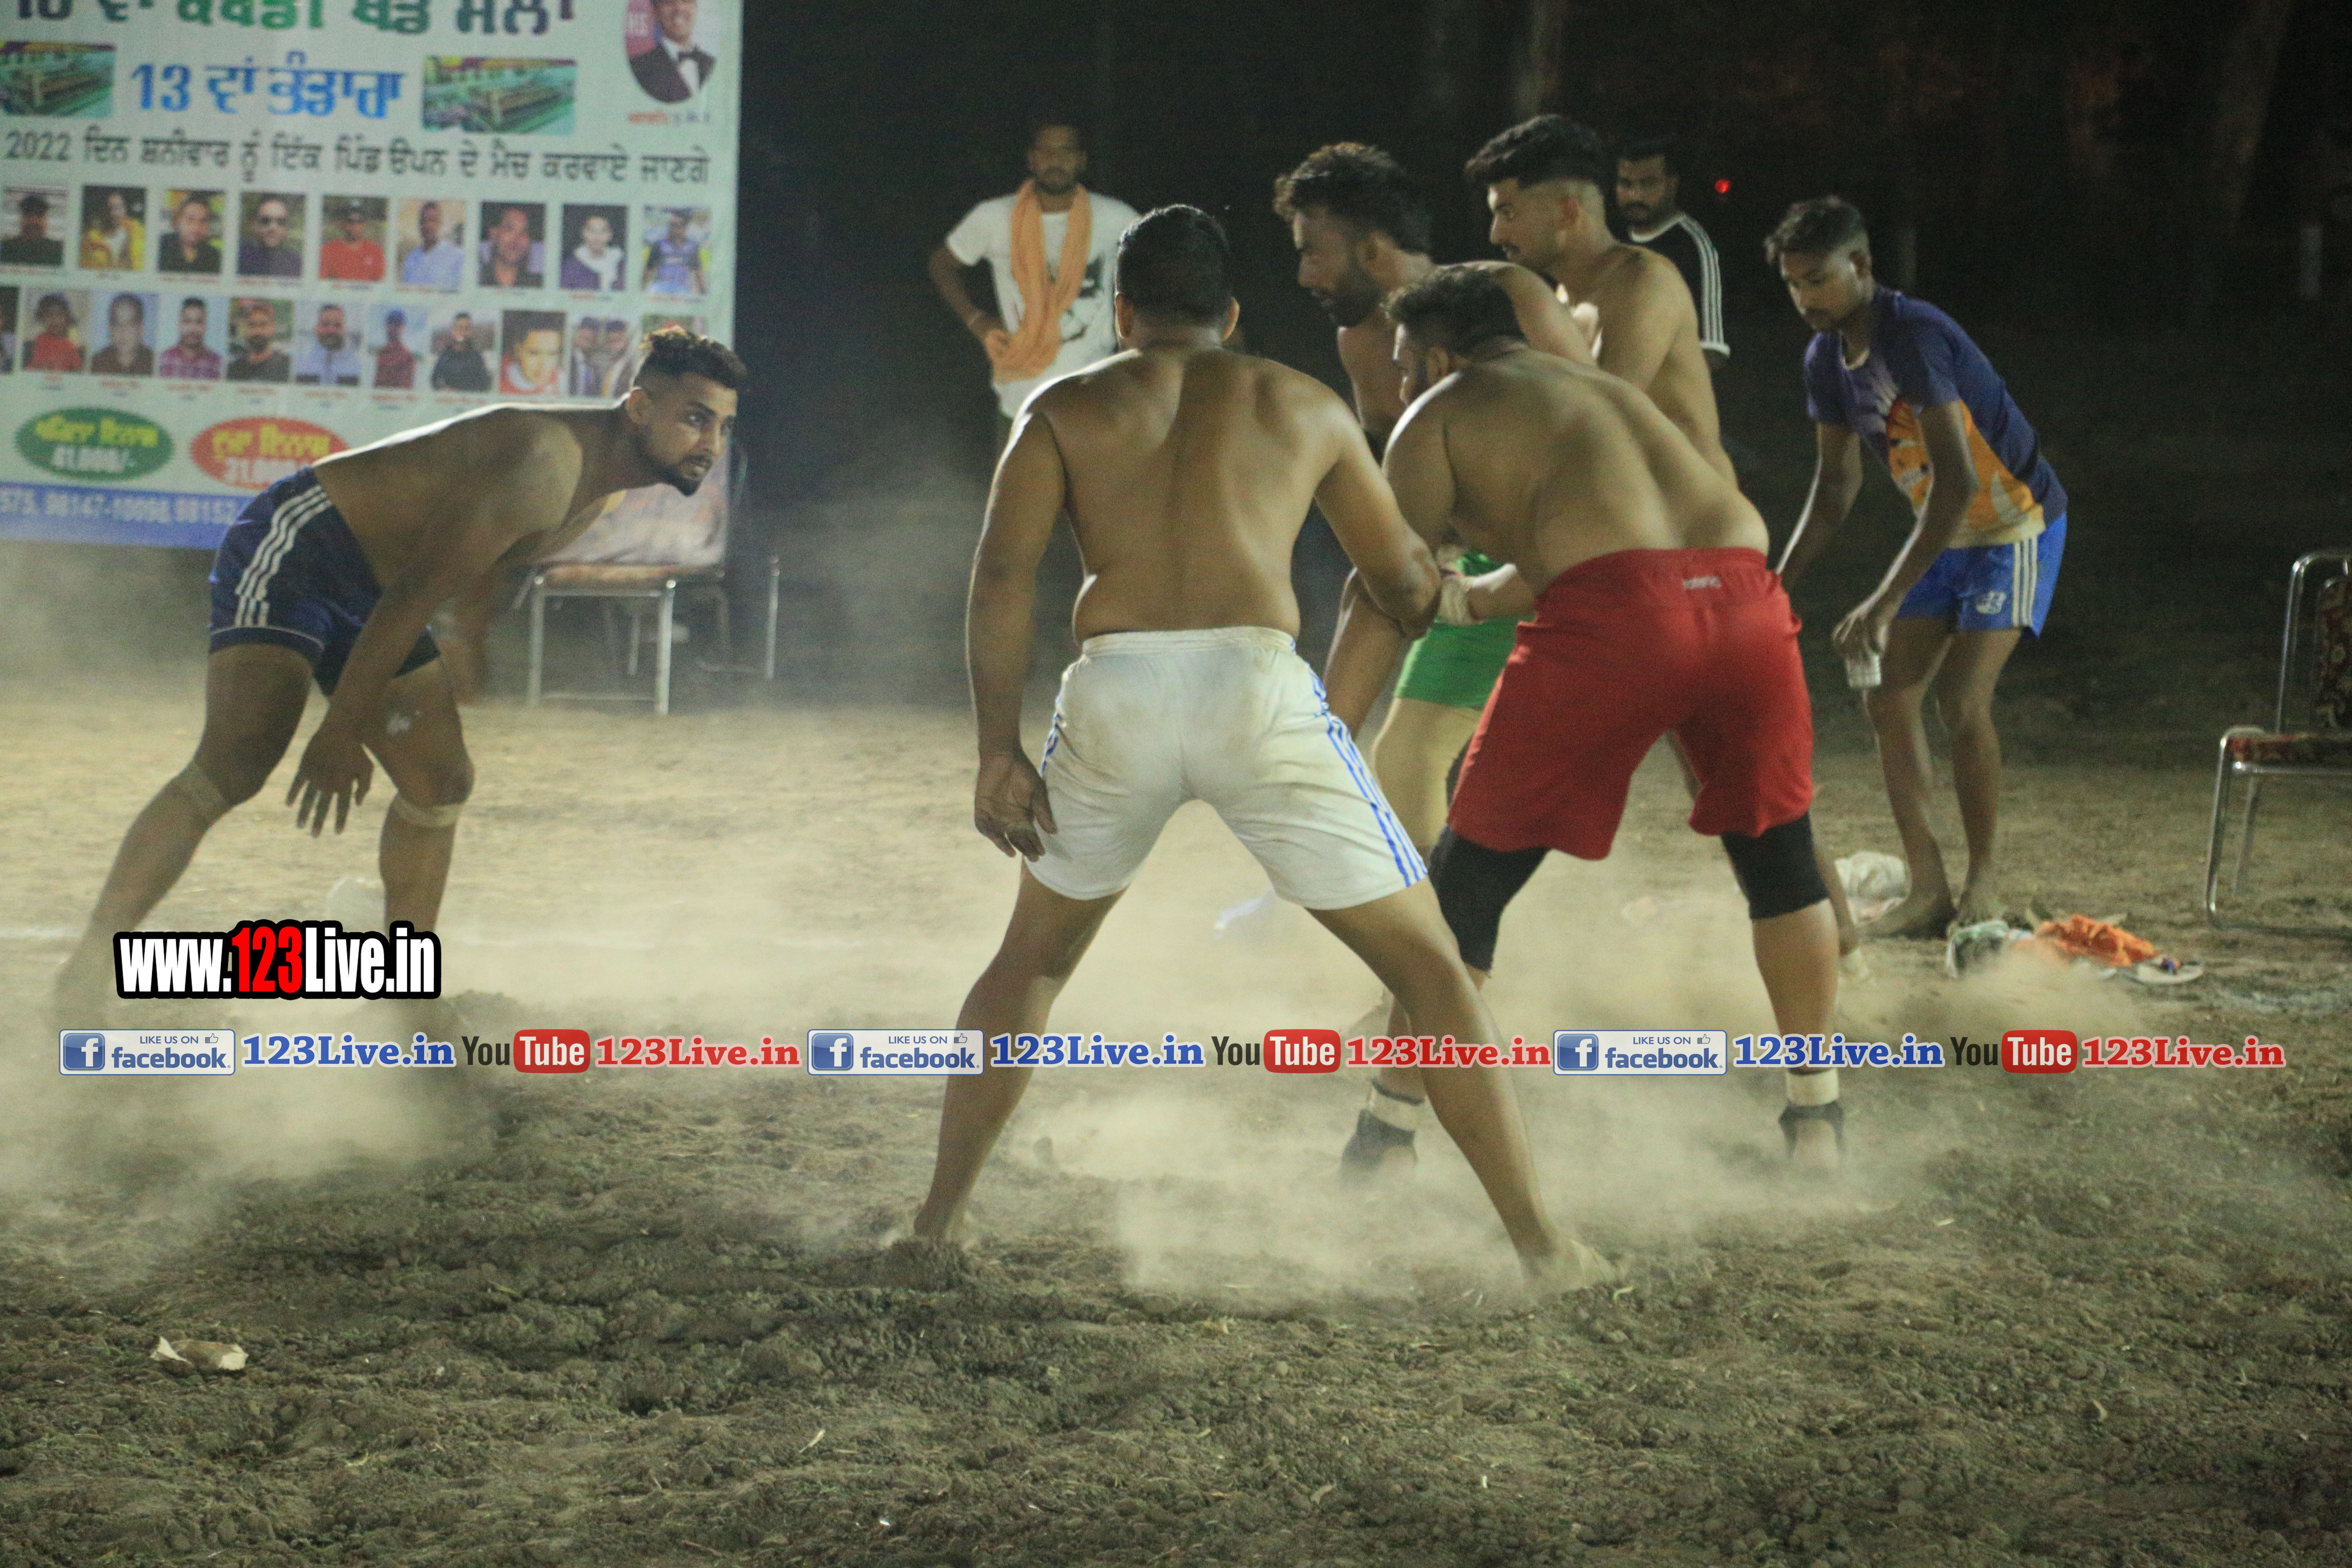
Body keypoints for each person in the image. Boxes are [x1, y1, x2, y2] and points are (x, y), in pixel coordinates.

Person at [908, 207, 1610, 1291]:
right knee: (1433, 973)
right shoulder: (1302, 402)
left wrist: (996, 748)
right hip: (1255, 687)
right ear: (1232, 316)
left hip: (1120, 691)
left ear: (1123, 314)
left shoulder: (1062, 406)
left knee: (1031, 965)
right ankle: (1544, 1248)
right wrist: (1456, 578)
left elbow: (1002, 577)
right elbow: (1399, 581)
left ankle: (936, 1226)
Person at [52, 329, 745, 1029]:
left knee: (441, 782)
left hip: (378, 589)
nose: (710, 443)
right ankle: (86, 969)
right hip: (299, 547)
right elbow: (413, 597)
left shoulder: (600, 497)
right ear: (639, 407)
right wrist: (341, 732)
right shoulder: (545, 462)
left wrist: (461, 651)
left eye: (722, 425)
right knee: (234, 764)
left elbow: (457, 576)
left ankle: (402, 991)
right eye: (695, 418)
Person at [1330, 265, 1845, 1169]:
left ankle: (1389, 1130)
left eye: (1406, 366)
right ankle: (1818, 1120)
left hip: (1617, 624)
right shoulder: (1608, 396)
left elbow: (1384, 585)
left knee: (1467, 886)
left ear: (1439, 358)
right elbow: (1617, 548)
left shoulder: (1440, 410)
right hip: (1746, 602)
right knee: (1780, 859)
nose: (1400, 387)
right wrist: (1469, 600)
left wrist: (1323, 726)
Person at [1769, 197, 2069, 937]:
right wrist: (1773, 587)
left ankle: (1983, 880)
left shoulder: (1914, 335)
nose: (1804, 298)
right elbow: (1834, 490)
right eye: (1793, 283)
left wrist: (1879, 602)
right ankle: (1929, 888)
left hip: (2016, 523)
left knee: (1961, 701)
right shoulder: (1825, 360)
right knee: (1888, 699)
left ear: (1862, 265)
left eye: (1817, 279)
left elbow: (1960, 484)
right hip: (1946, 531)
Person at [929, 120, 1141, 446]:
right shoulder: (994, 217)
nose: (1055, 160)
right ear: (1032, 159)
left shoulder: (1116, 218)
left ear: (1082, 160)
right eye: (1046, 151)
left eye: (1066, 151)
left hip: (1093, 400)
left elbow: (1157, 270)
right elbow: (942, 264)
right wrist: (977, 321)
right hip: (1021, 402)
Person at [1614, 136, 1727, 371]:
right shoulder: (1611, 237)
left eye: (1648, 184)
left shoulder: (1693, 246)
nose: (1635, 195)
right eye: (1626, 184)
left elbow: (1712, 351)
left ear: (1672, 184)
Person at [630, 0, 717, 104]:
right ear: (655, 12)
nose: (679, 8)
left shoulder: (712, 65)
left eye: (687, 1)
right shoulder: (639, 69)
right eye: (669, 2)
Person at [641, 208, 706, 298]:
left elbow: (698, 273)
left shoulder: (691, 247)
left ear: (685, 229)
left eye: (679, 227)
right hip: (660, 287)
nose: (675, 230)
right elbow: (648, 271)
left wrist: (705, 295)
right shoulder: (659, 245)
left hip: (682, 288)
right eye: (673, 226)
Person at [400, 201, 465, 290]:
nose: (428, 225)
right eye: (424, 221)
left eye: (433, 220)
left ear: (440, 223)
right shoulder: (411, 259)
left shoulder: (457, 257)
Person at [294, 303, 362, 386]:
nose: (331, 330)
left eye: (338, 325)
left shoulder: (356, 364)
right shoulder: (301, 362)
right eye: (325, 324)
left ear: (344, 329)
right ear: (316, 328)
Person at [238, 196, 303, 279]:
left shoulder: (296, 263)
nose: (273, 228)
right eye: (266, 221)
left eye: (281, 222)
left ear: (286, 229)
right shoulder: (238, 258)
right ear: (256, 225)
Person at [89, 292, 153, 376]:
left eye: (130, 325)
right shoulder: (97, 363)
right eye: (117, 324)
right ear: (111, 328)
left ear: (140, 329)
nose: (123, 332)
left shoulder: (153, 362)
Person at [225, 300, 290, 383]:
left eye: (263, 325)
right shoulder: (233, 369)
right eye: (252, 325)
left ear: (273, 327)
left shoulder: (287, 366)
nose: (258, 331)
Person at [479, 204, 543, 289]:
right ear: (494, 234)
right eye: (509, 229)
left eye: (524, 232)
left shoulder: (539, 285)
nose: (517, 238)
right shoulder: (475, 279)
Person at [319, 201, 385, 283]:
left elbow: (381, 282)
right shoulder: (329, 250)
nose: (355, 225)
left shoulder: (375, 251)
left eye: (359, 221)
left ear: (364, 224)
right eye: (350, 221)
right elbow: (322, 282)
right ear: (343, 224)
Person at [157, 193, 222, 275]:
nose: (196, 228)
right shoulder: (160, 247)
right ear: (179, 220)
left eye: (203, 221)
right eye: (190, 220)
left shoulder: (214, 256)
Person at [79, 189, 143, 272]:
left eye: (117, 208)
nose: (113, 213)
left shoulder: (139, 234)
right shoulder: (89, 240)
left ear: (124, 210)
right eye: (109, 209)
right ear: (102, 212)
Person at [561, 211, 625, 292]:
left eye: (603, 231)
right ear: (583, 233)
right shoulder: (569, 267)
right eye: (592, 231)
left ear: (610, 235)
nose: (597, 236)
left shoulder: (621, 265)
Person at [159, 297, 220, 381]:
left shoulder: (218, 364)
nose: (193, 328)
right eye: (187, 321)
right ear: (179, 325)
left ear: (206, 326)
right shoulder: (163, 360)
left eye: (199, 322)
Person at [430, 312, 492, 392]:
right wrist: (444, 389)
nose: (462, 332)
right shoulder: (445, 356)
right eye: (459, 328)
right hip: (449, 398)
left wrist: (462, 391)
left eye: (466, 329)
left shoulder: (477, 357)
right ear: (453, 330)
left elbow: (485, 384)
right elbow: (435, 381)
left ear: (471, 332)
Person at [499, 317, 561, 395]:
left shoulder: (561, 381)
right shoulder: (498, 382)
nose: (544, 365)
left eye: (552, 354)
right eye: (535, 353)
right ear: (518, 350)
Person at [24, 292, 83, 373]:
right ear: (42, 318)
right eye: (50, 315)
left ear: (67, 318)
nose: (55, 320)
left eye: (59, 315)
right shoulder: (37, 342)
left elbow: (77, 372)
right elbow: (30, 368)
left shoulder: (70, 347)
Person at [3, 194, 64, 267]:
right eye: (29, 215)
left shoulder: (57, 251)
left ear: (45, 220)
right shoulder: (6, 248)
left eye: (39, 215)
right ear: (21, 219)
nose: (33, 221)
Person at [373, 308, 417, 389]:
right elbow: (377, 384)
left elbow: (406, 389)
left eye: (396, 325)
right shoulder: (382, 353)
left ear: (402, 328)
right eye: (390, 324)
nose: (392, 329)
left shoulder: (408, 358)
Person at [565, 316, 606, 394]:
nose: (585, 343)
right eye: (583, 338)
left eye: (589, 340)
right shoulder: (567, 361)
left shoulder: (594, 368)